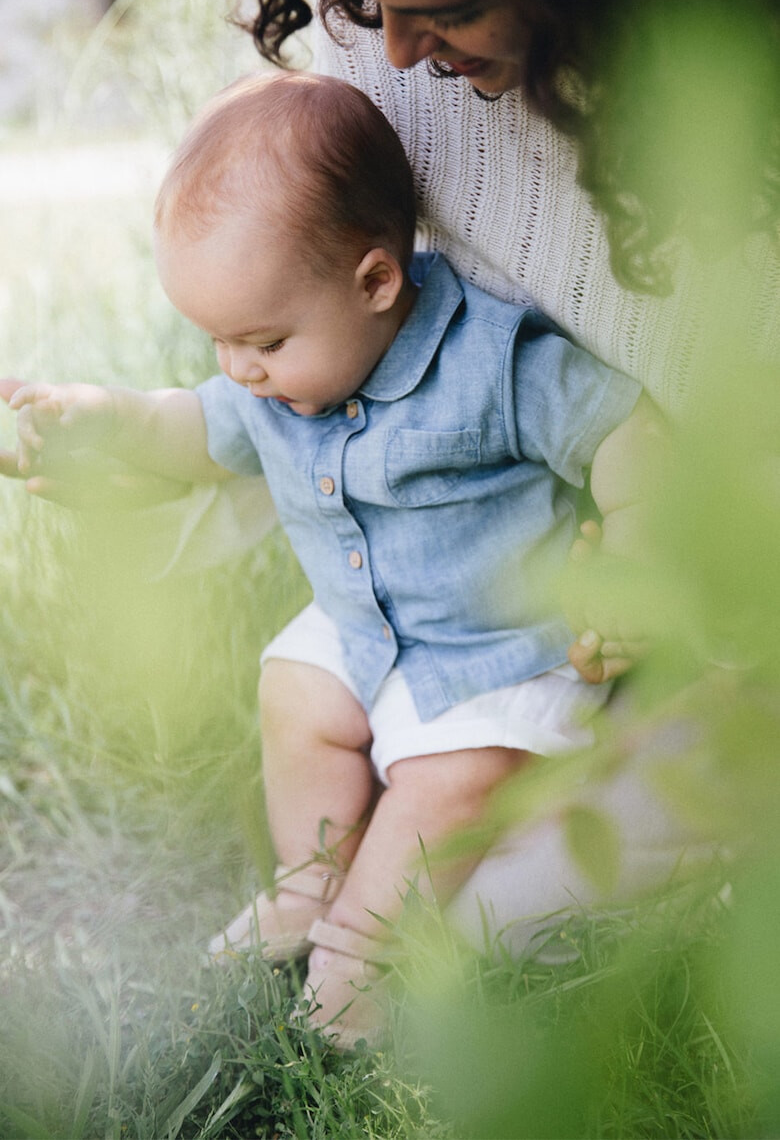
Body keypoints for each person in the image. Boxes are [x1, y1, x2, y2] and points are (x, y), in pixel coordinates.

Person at [3, 70, 658, 1047]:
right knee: (292, 692)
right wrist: (103, 422)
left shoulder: (490, 360)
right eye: (218, 342)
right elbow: (187, 427)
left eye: (261, 340)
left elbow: (622, 428)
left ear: (377, 282)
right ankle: (310, 886)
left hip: (501, 654)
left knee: (445, 785)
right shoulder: (273, 382)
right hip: (368, 631)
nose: (239, 370)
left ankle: (363, 950)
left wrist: (639, 544)